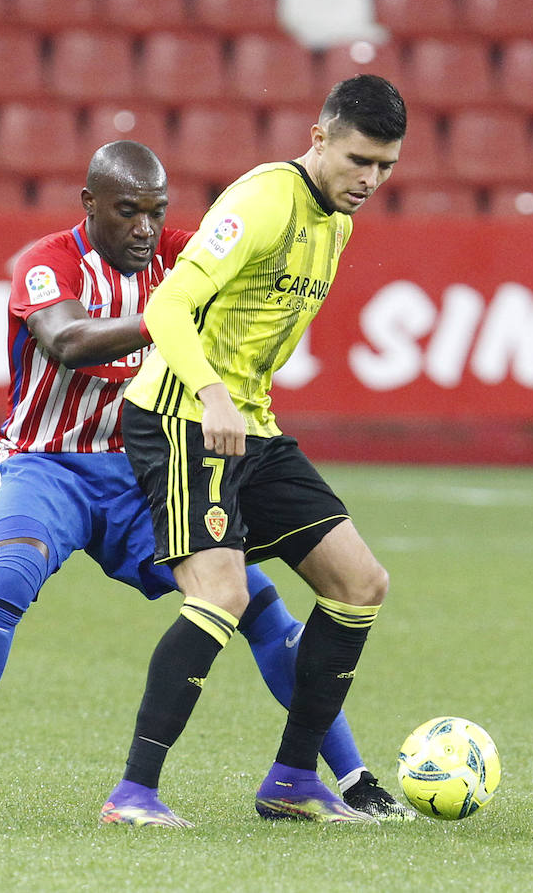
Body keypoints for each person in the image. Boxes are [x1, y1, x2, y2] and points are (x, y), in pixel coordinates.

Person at [0, 140, 412, 822]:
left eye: (155, 212)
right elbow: (67, 341)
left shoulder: (179, 253)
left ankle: (348, 777)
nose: (144, 228)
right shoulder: (46, 264)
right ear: (89, 206)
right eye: (126, 212)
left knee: (249, 601)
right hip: (45, 465)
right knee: (9, 578)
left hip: (140, 472)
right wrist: (165, 318)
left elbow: (240, 269)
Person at [101, 75, 407, 826]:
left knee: (360, 582)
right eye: (358, 160)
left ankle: (293, 781)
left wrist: (236, 404)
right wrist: (210, 394)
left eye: (386, 167)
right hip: (180, 414)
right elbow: (168, 304)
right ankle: (133, 793)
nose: (369, 180)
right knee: (222, 595)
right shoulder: (264, 201)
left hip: (249, 425)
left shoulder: (336, 220)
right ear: (318, 140)